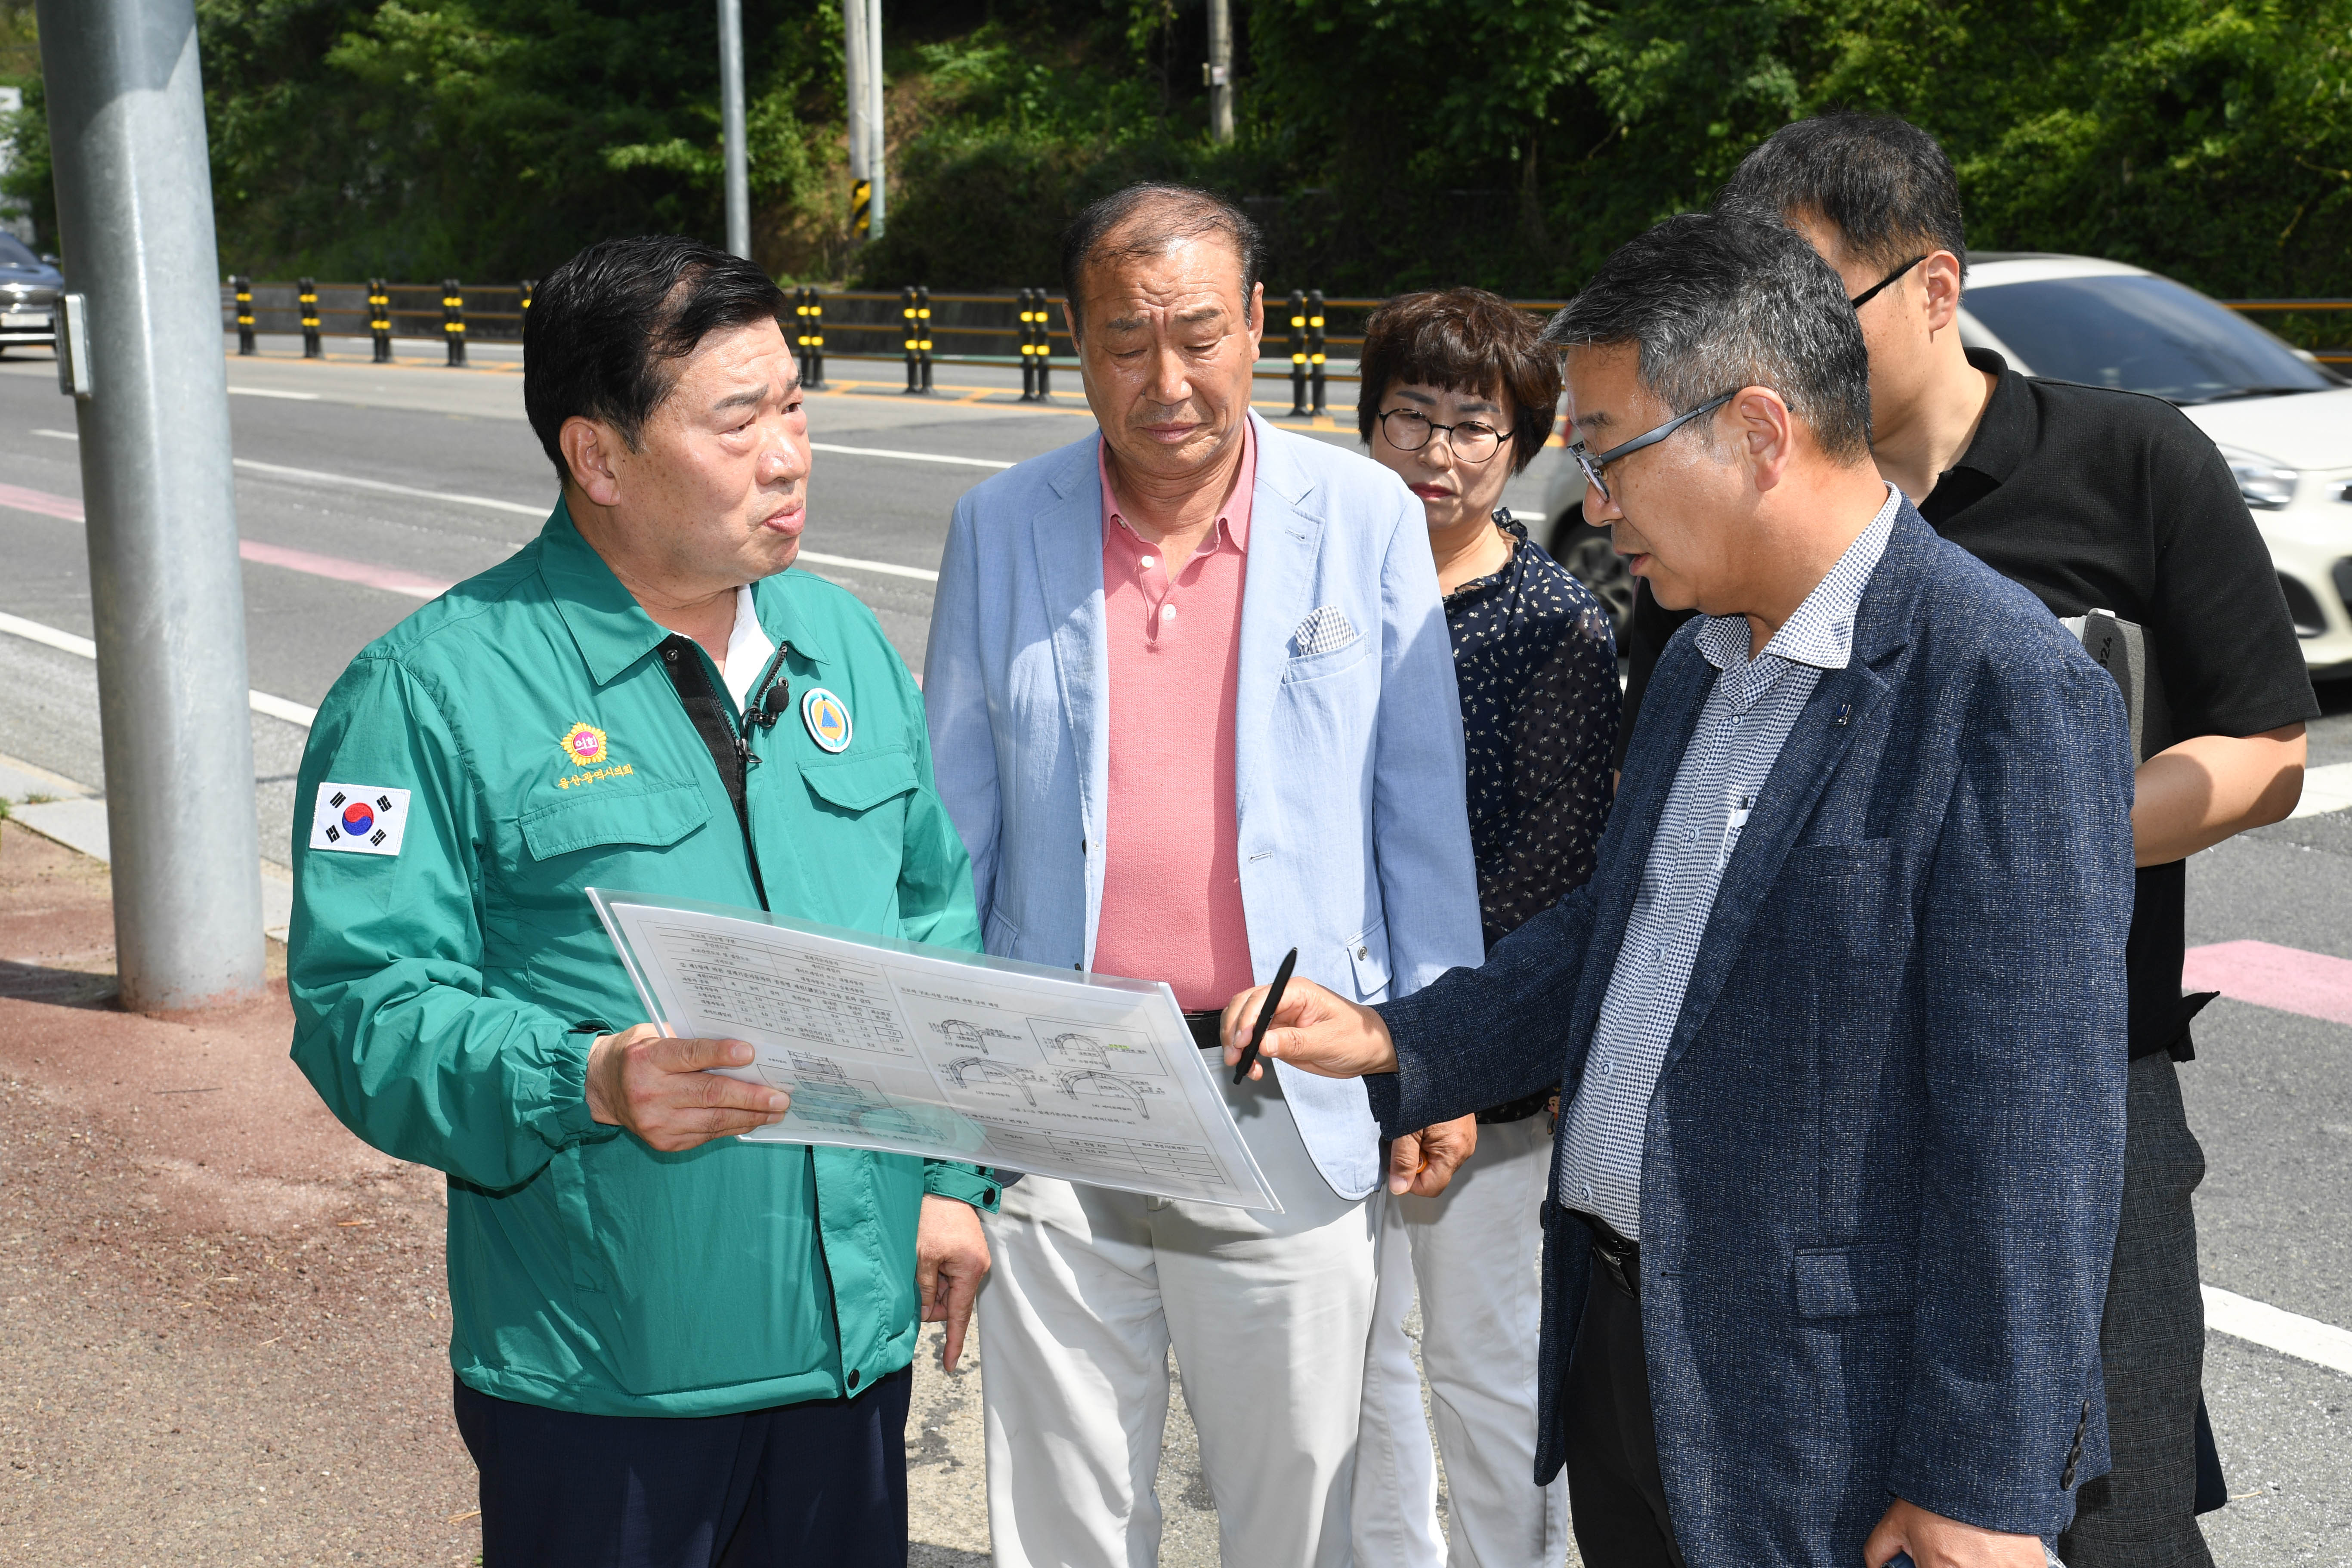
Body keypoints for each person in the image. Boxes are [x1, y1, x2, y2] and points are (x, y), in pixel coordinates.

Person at [1219, 211, 2141, 1568]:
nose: (1592, 504)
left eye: (1609, 453)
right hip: (1629, 1364)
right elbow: (1622, 930)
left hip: (1831, 1422)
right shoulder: (1704, 650)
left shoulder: (1996, 687)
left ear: (1759, 431)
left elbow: (2035, 1137)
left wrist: (1985, 1486)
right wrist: (1402, 1041)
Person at [286, 235, 999, 1568]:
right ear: (598, 457)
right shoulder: (430, 691)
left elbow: (927, 923)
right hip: (610, 1376)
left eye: (793, 401)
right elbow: (360, 1008)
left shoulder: (836, 639)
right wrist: (588, 1076)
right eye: (738, 420)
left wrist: (952, 1176)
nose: (788, 454)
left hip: (850, 1347)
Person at [1700, 113, 2316, 1567]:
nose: (1781, 349)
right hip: (1821, 1110)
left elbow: (2268, 752)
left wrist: (2042, 834)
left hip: (2080, 1090)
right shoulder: (1757, 506)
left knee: (2107, 1515)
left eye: (1813, 302)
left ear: (1933, 285)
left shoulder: (2126, 459)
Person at [922, 183, 1485, 1568]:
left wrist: (1436, 1054)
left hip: (1280, 1077)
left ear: (1255, 328)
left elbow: (1419, 813)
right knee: (1060, 1506)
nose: (1165, 379)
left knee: (1297, 1496)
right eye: (1125, 339)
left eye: (1197, 334)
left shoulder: (1358, 513)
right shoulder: (1000, 526)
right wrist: (942, 1124)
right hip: (1059, 1078)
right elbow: (952, 832)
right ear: (1071, 338)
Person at [1351, 287, 1619, 1568]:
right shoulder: (1325, 594)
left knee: (1483, 1361)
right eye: (1413, 418)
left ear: (1520, 446)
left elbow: (1555, 862)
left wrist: (1442, 1048)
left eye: (1476, 427)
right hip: (1332, 1043)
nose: (1439, 456)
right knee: (1353, 1368)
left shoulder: (1552, 620)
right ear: (1369, 423)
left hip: (1482, 1063)